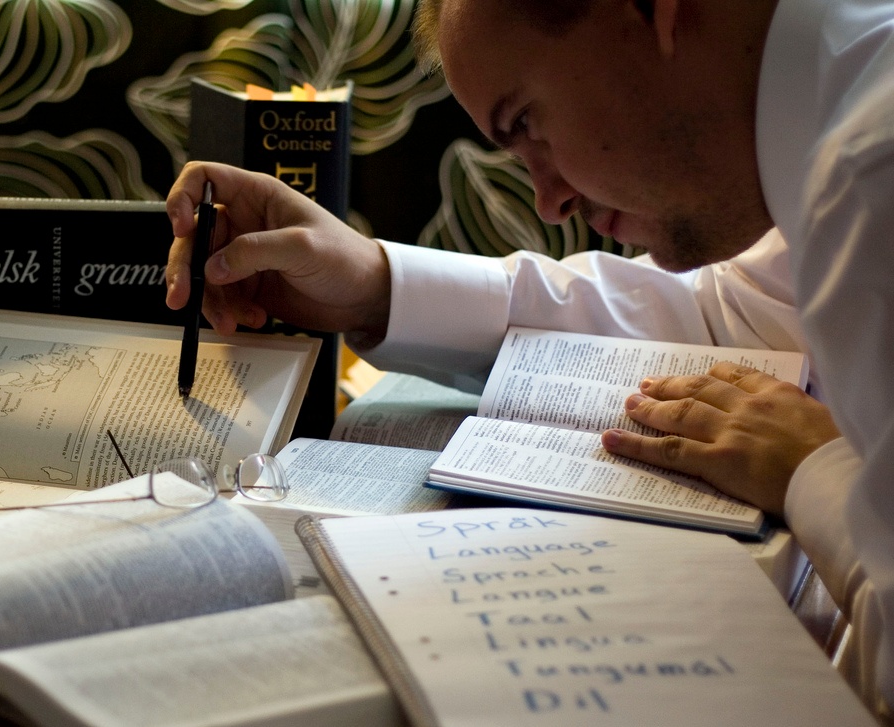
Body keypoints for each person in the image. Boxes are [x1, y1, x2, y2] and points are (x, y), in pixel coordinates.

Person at [163, 0, 893, 720]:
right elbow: (722, 316)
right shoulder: (835, 108)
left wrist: (814, 469)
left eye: (526, 124)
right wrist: (376, 288)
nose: (549, 199)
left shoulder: (867, 176)